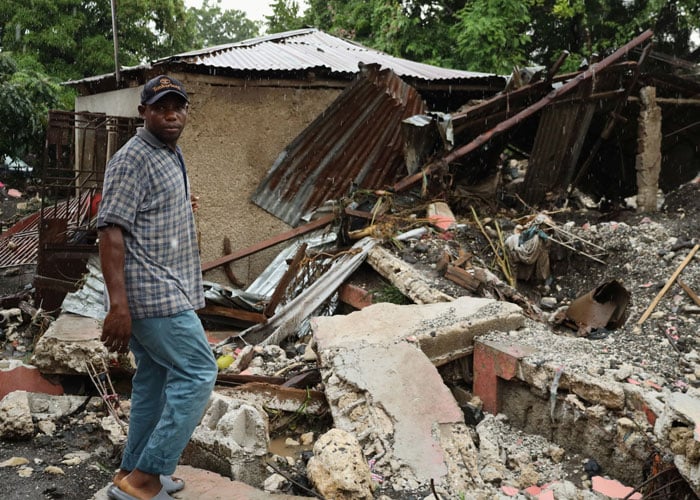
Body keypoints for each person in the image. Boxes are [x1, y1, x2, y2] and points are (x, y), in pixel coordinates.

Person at [97, 75, 217, 500]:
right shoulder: (133, 158)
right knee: (200, 371)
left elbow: (149, 212)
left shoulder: (168, 152)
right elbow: (111, 232)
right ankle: (145, 481)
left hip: (169, 287)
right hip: (152, 294)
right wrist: (118, 307)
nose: (172, 113)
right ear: (143, 111)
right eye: (162, 106)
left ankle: (132, 469)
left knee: (155, 377)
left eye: (178, 106)